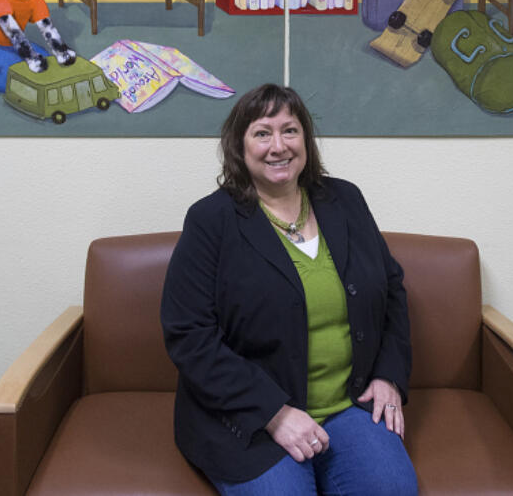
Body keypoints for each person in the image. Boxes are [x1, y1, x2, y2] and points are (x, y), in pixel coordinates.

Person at [160, 84, 418, 495]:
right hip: (251, 416)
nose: (278, 146)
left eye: (290, 131)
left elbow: (391, 289)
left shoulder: (345, 200)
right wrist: (273, 413)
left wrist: (389, 375)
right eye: (262, 133)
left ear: (306, 141)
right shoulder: (211, 220)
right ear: (239, 146)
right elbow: (189, 336)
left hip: (348, 405)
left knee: (392, 489)